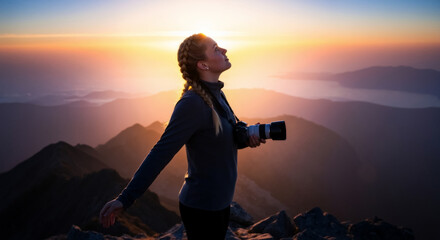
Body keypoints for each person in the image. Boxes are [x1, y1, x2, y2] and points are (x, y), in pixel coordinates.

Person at [99, 33, 266, 239]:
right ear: (203, 65)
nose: (224, 50)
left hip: (220, 203)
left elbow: (219, 140)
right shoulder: (192, 104)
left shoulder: (217, 94)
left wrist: (245, 138)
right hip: (203, 207)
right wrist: (125, 199)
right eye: (215, 49)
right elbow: (160, 153)